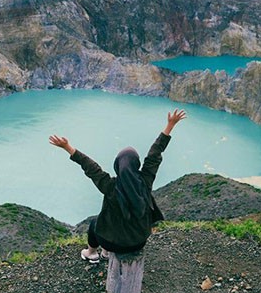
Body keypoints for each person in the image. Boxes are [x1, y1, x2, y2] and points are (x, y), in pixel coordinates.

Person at [49, 109, 187, 263]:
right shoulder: (145, 181)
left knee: (95, 223)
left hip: (112, 244)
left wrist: (67, 147)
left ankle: (91, 253)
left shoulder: (110, 186)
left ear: (118, 166)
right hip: (139, 242)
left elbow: (90, 167)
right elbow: (154, 154)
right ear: (136, 164)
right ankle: (106, 253)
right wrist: (170, 125)